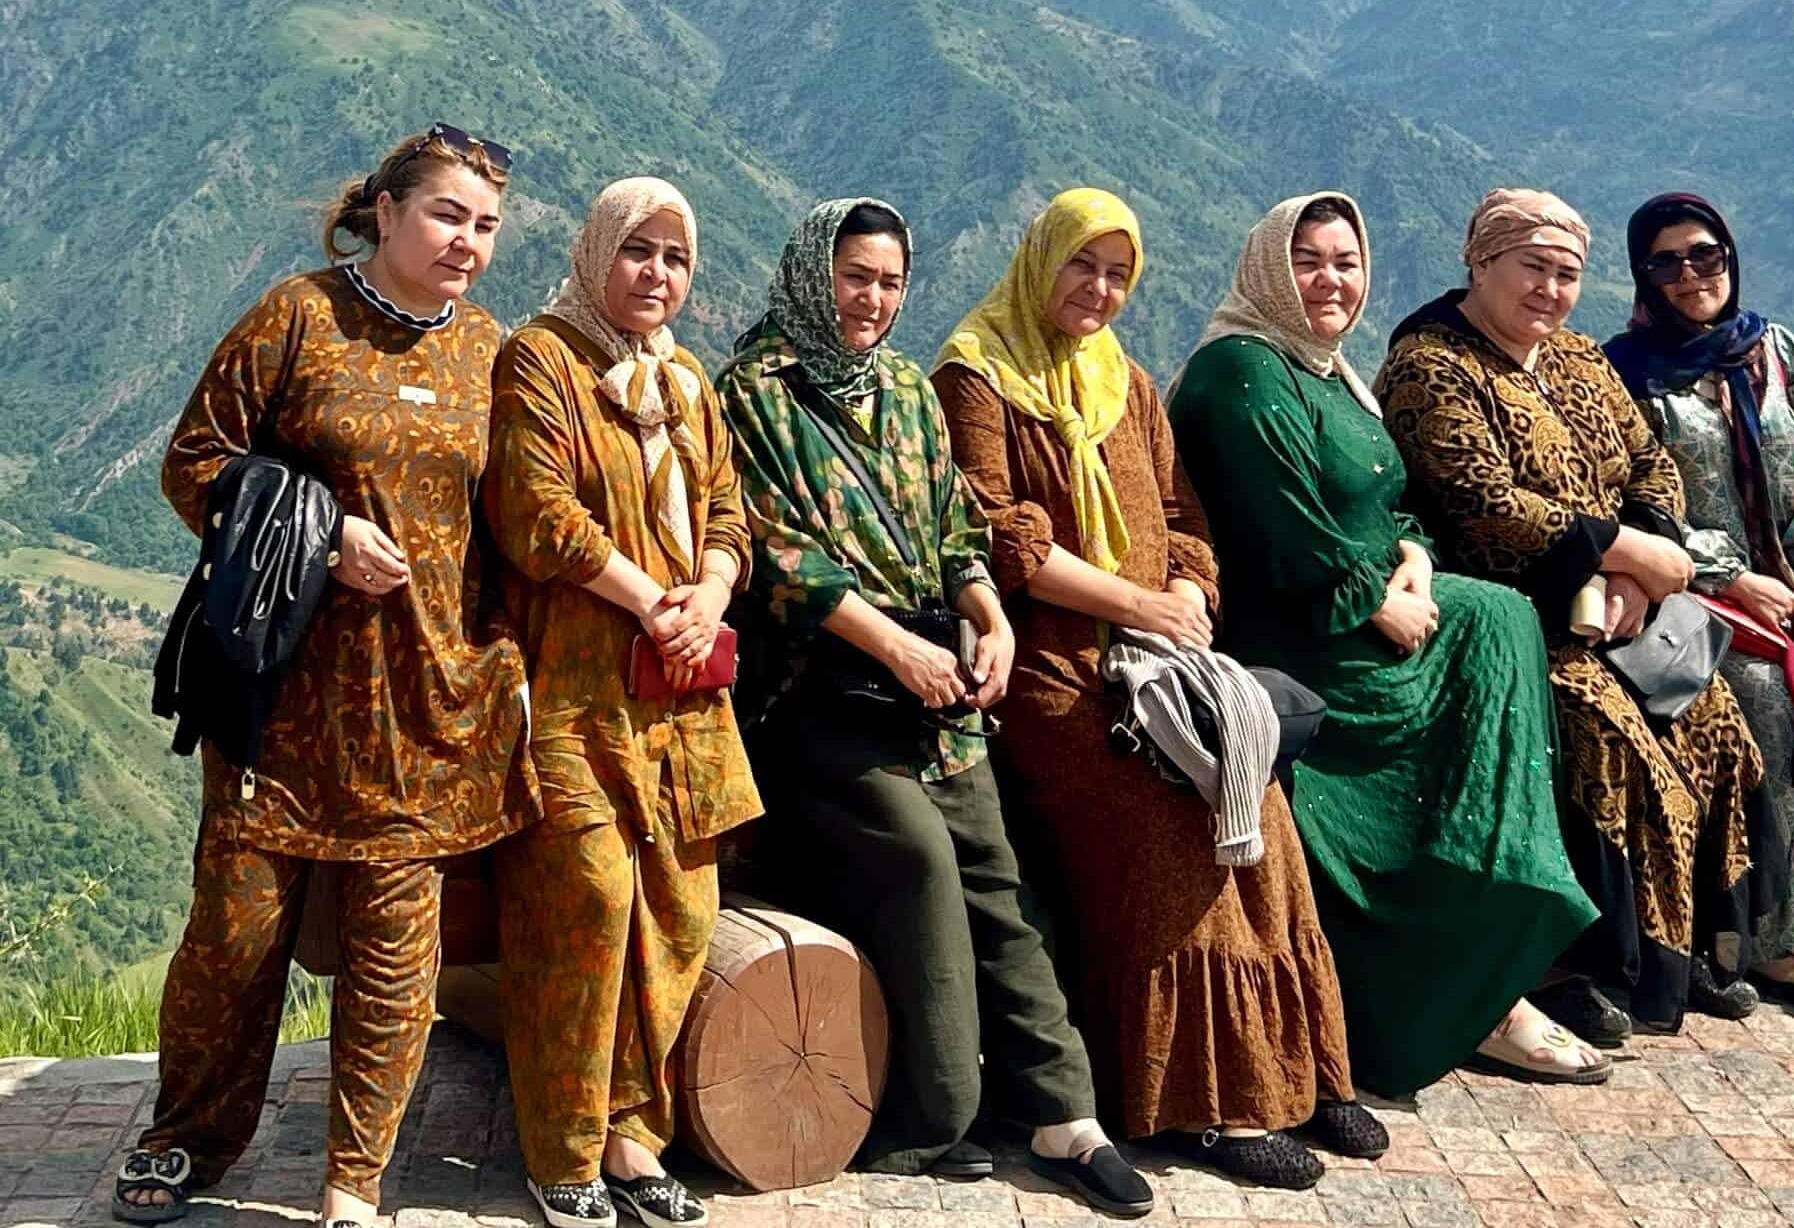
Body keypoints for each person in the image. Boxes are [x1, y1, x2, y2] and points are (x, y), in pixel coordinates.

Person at [116, 126, 539, 1227]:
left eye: (487, 225)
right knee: (233, 936)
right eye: (448, 214)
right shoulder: (296, 316)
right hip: (283, 702)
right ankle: (186, 1139)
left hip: (430, 703)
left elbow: (515, 521)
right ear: (387, 210)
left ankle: (355, 1176)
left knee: (397, 954)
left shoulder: (490, 349)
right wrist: (326, 537)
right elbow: (193, 461)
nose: (468, 242)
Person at [932, 189, 1382, 1186]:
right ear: (1038, 262)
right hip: (1053, 673)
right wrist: (1140, 605)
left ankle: (1301, 1074)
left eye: (1116, 272)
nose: (1097, 289)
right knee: (1167, 815)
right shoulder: (977, 375)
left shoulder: (1127, 384)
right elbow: (1003, 539)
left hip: (1155, 658)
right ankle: (1199, 1108)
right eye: (1080, 265)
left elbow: (1183, 516)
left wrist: (1182, 584)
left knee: (1250, 792)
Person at [718, 199, 1152, 1218]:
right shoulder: (753, 392)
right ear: (808, 275)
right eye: (852, 276)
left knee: (992, 863)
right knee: (918, 851)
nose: (870, 299)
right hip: (822, 694)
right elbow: (782, 559)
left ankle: (1061, 1113)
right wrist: (899, 646)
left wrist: (986, 614)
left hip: (935, 684)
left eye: (888, 280)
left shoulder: (907, 388)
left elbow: (957, 525)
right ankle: (935, 1111)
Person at [1167, 192, 1604, 1096]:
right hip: (1302, 635)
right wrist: (1375, 601)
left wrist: (1410, 558)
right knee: (1493, 623)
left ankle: (1489, 930)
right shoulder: (1239, 374)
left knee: (1494, 615)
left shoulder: (1325, 370)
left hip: (1369, 595)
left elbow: (1386, 496)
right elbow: (1278, 532)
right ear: (1266, 269)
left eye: (1346, 261)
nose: (1330, 280)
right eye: (1309, 261)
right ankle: (1469, 959)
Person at [1373, 186, 1784, 1042]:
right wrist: (1625, 553)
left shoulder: (1574, 359)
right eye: (1532, 269)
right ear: (1481, 262)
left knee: (1708, 719)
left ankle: (1684, 953)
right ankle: (1573, 965)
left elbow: (1651, 463)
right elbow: (1481, 503)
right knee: (1608, 743)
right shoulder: (1430, 363)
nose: (1549, 292)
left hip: (1622, 618)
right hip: (1517, 619)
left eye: (1567, 276)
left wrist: (1644, 568)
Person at [483, 178, 760, 1228]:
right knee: (588, 904)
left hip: (683, 697)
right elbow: (532, 508)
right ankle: (561, 1148)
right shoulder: (543, 357)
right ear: (597, 251)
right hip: (573, 690)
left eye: (675, 257)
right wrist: (652, 598)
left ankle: (633, 1132)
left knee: (682, 910)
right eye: (637, 250)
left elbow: (730, 505)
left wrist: (714, 590)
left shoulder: (686, 377)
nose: (656, 274)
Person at [1606, 191, 1794, 1016]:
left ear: (1729, 258)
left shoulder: (1775, 353)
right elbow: (1634, 506)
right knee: (1775, 704)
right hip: (1695, 601)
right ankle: (1783, 942)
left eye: (1704, 254)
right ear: (1644, 273)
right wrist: (1726, 574)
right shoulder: (1627, 375)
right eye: (1665, 261)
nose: (1690, 274)